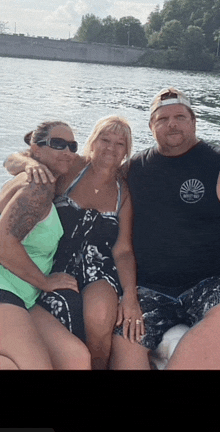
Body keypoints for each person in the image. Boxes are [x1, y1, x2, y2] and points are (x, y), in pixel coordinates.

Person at [3, 116, 144, 370]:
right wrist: (26, 164)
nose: (111, 147)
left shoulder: (123, 190)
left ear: (127, 151)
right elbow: (15, 159)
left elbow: (122, 249)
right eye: (105, 139)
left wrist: (130, 294)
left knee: (100, 314)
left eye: (120, 143)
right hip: (56, 260)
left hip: (97, 265)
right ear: (92, 141)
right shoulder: (70, 166)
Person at [111, 86, 220, 369]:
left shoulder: (216, 162)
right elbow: (86, 169)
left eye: (180, 116)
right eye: (162, 119)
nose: (171, 123)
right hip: (149, 290)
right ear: (151, 126)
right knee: (126, 346)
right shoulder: (133, 169)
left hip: (208, 284)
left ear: (194, 122)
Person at [0, 120, 91, 370]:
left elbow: (11, 160)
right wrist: (45, 282)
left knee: (76, 358)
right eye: (58, 144)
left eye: (72, 146)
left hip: (24, 296)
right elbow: (3, 244)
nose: (67, 151)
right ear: (36, 149)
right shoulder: (39, 186)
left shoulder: (36, 174)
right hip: (5, 291)